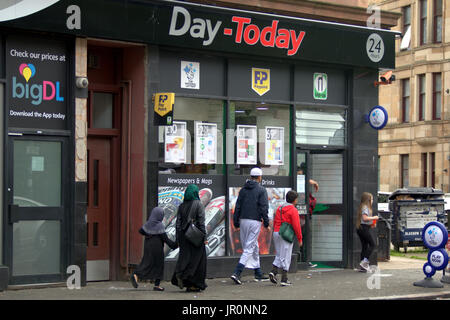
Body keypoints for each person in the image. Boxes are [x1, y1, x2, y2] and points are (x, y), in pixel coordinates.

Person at [230, 167, 271, 284]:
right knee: (249, 247)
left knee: (254, 245)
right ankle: (237, 273)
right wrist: (266, 223)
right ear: (259, 177)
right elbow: (264, 208)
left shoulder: (243, 190)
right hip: (255, 221)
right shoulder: (261, 190)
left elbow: (237, 207)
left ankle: (258, 272)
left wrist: (236, 222)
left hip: (243, 220)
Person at [171, 184, 208, 292]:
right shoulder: (199, 204)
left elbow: (177, 224)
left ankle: (181, 275)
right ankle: (194, 284)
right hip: (195, 236)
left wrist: (178, 238)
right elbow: (201, 222)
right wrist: (204, 237)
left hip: (183, 236)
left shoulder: (181, 206)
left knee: (185, 257)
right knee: (198, 260)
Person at [131, 207, 178, 291]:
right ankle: (157, 285)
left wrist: (149, 233)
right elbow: (166, 239)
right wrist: (175, 245)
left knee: (146, 263)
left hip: (148, 246)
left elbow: (141, 231)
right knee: (159, 266)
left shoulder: (148, 224)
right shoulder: (160, 225)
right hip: (157, 248)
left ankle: (136, 275)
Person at [269, 190, 303, 286]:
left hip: (276, 232)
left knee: (280, 254)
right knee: (286, 256)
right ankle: (284, 279)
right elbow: (296, 225)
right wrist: (300, 239)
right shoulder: (293, 210)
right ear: (295, 200)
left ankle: (273, 271)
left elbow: (275, 220)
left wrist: (275, 231)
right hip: (286, 234)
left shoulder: (280, 207)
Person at [356, 192, 379, 272]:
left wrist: (372, 224)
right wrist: (374, 217)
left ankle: (363, 267)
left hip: (362, 228)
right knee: (373, 244)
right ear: (368, 200)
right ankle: (365, 262)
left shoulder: (363, 207)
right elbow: (365, 218)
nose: (372, 201)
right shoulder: (365, 207)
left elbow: (364, 220)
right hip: (363, 229)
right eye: (372, 199)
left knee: (365, 247)